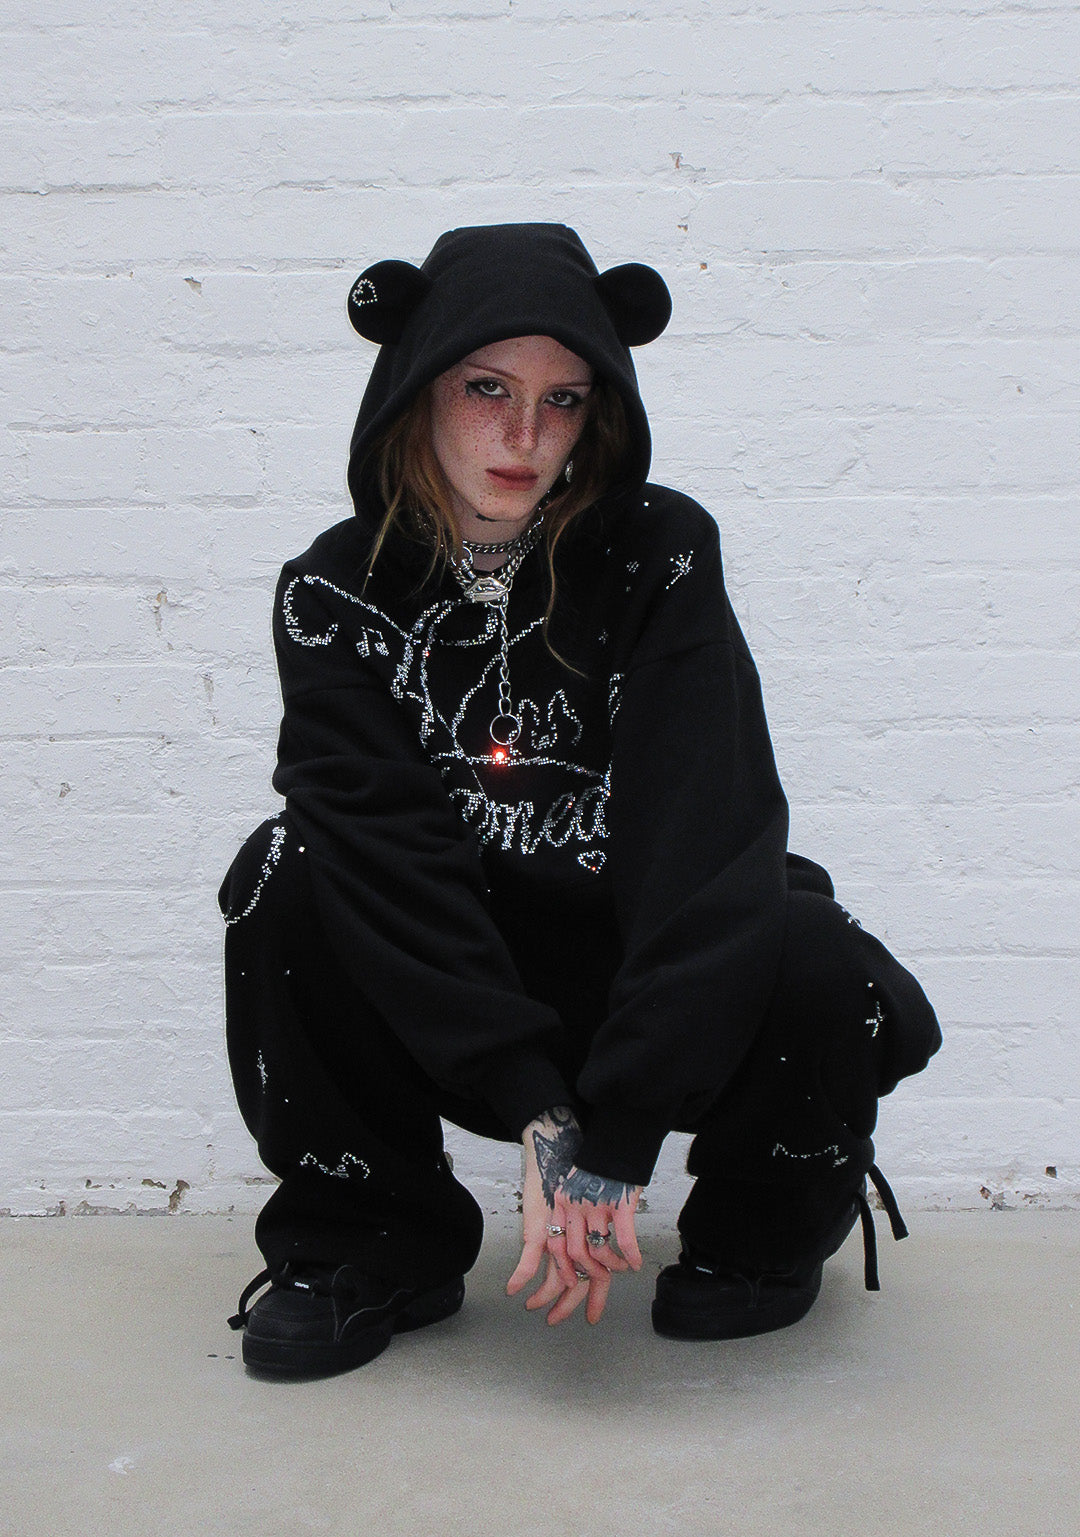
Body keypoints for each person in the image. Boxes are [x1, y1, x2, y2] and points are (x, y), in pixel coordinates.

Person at [219, 222, 941, 1378]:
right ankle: (370, 1239)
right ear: (415, 386)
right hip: (453, 976)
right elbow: (384, 856)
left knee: (810, 947)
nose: (525, 435)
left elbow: (704, 836)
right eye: (487, 389)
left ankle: (761, 1238)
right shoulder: (333, 594)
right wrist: (535, 1109)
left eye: (562, 400)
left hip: (633, 967)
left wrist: (622, 1131)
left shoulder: (660, 553)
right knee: (286, 869)